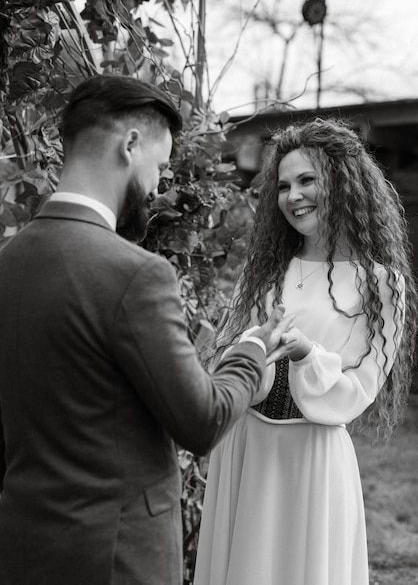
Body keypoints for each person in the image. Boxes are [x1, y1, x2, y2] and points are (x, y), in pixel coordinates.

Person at [0, 75, 294, 585]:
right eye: (160, 166)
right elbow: (201, 420)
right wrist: (249, 351)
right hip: (117, 558)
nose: (160, 185)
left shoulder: (8, 263)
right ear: (129, 145)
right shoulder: (135, 273)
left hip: (24, 545)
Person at [193, 117, 417, 585]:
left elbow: (359, 388)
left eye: (307, 180)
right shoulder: (267, 268)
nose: (293, 195)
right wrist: (256, 342)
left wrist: (304, 354)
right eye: (283, 185)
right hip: (247, 447)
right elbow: (225, 357)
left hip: (311, 457)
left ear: (342, 182)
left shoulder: (382, 285)